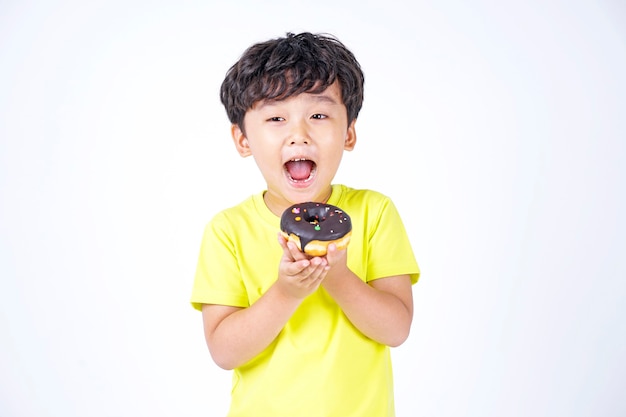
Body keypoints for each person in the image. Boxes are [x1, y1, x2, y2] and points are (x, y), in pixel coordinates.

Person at [191, 32, 420, 417]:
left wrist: (338, 276)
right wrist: (286, 291)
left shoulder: (374, 211)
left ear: (348, 132)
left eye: (318, 115)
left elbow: (396, 330)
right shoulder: (227, 230)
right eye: (276, 118)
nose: (299, 134)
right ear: (243, 139)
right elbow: (224, 351)